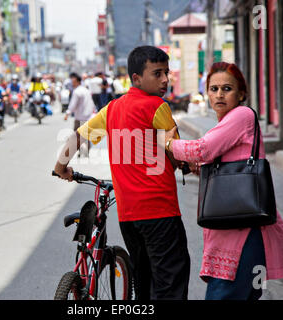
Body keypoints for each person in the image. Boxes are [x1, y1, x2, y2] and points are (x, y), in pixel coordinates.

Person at [54, 46, 191, 300]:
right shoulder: (157, 107)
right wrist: (185, 161)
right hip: (160, 211)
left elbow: (80, 137)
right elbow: (177, 151)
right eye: (157, 74)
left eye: (166, 73)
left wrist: (61, 167)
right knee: (170, 282)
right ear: (136, 78)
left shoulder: (112, 109)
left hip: (129, 218)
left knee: (143, 280)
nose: (164, 80)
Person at [165, 62, 283, 300]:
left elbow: (202, 149)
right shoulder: (227, 121)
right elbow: (219, 161)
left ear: (241, 93)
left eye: (227, 88)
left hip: (242, 230)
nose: (219, 94)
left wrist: (166, 143)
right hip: (232, 226)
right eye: (213, 89)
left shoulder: (242, 115)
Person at [63, 72, 96, 157]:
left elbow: (72, 105)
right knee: (86, 135)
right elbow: (91, 103)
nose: (72, 84)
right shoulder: (86, 90)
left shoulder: (77, 92)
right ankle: (86, 151)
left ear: (78, 82)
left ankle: (78, 152)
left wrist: (67, 113)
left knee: (77, 136)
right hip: (88, 117)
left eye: (73, 82)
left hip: (79, 117)